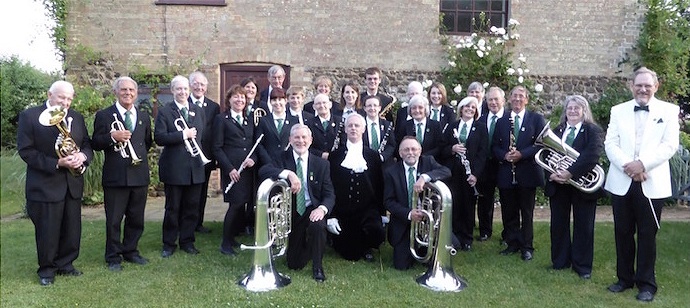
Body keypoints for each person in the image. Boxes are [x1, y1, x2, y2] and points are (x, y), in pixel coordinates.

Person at [604, 67, 679, 302]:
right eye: (639, 85)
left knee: (648, 234)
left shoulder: (669, 110)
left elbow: (669, 146)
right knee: (623, 232)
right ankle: (624, 279)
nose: (643, 89)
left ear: (656, 87)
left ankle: (646, 284)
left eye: (648, 85)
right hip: (622, 179)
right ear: (631, 86)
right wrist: (629, 166)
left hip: (651, 181)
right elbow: (610, 143)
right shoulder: (618, 111)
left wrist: (642, 165)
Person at [17, 80, 93, 286]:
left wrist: (82, 157)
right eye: (62, 97)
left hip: (72, 183)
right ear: (50, 94)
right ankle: (47, 270)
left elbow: (86, 144)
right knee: (48, 230)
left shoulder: (76, 117)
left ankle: (66, 265)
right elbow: (26, 151)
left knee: (72, 228)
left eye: (69, 98)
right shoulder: (30, 116)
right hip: (45, 184)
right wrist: (57, 163)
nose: (66, 102)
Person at [258, 124, 335, 282]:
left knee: (318, 225)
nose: (301, 141)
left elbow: (329, 194)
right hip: (291, 212)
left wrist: (322, 209)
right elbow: (263, 171)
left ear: (310, 140)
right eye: (297, 137)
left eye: (304, 137)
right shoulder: (281, 157)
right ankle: (308, 245)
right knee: (294, 264)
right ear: (290, 140)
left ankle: (318, 267)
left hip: (310, 209)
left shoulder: (322, 164)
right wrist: (288, 173)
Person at [92, 77, 152, 271]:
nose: (128, 93)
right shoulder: (104, 115)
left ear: (136, 93)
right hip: (116, 176)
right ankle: (113, 257)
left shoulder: (143, 116)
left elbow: (147, 143)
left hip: (139, 174)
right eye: (124, 90)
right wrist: (112, 137)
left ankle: (131, 251)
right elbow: (95, 143)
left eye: (131, 90)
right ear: (116, 92)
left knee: (136, 218)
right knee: (114, 220)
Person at [545, 95, 604, 280]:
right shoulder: (557, 130)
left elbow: (591, 155)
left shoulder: (592, 130)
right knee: (558, 225)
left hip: (581, 184)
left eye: (576, 108)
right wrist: (551, 174)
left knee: (584, 226)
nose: (572, 111)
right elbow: (547, 154)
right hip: (559, 185)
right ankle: (560, 261)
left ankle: (582, 266)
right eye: (569, 108)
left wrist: (570, 172)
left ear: (584, 111)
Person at [492, 85, 546, 261]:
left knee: (527, 211)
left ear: (527, 100)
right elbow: (494, 146)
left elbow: (541, 144)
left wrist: (522, 154)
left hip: (527, 172)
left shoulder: (536, 119)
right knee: (509, 211)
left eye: (521, 96)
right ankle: (512, 242)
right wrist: (505, 155)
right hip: (507, 172)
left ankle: (527, 246)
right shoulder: (502, 120)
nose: (517, 99)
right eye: (514, 96)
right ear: (509, 99)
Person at [155, 75, 207, 257]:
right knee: (173, 208)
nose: (183, 92)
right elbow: (159, 138)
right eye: (178, 89)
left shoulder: (197, 110)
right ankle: (169, 243)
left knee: (192, 207)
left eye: (185, 89)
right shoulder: (165, 111)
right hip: (174, 168)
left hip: (195, 167)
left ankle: (187, 241)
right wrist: (182, 134)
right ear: (172, 91)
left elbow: (202, 137)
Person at [384, 136, 451, 270]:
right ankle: (415, 248)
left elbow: (446, 171)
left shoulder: (428, 162)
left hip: (428, 223)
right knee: (401, 265)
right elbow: (388, 202)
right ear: (400, 152)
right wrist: (409, 213)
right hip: (404, 222)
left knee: (438, 257)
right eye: (406, 149)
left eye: (414, 149)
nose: (411, 152)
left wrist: (424, 177)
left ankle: (425, 247)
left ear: (420, 151)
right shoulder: (391, 171)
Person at [327, 114, 385, 261]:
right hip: (343, 209)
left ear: (363, 129)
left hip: (367, 208)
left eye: (357, 126)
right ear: (345, 129)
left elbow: (379, 185)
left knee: (376, 230)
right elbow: (329, 186)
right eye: (350, 126)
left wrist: (381, 213)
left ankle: (368, 246)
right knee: (349, 254)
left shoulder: (373, 156)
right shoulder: (335, 156)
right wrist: (331, 215)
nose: (353, 128)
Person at [212, 85, 257, 256]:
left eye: (242, 98)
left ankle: (231, 239)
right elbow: (217, 147)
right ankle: (225, 243)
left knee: (243, 204)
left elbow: (254, 145)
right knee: (235, 205)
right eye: (236, 97)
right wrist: (229, 168)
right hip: (233, 170)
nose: (239, 100)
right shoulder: (221, 119)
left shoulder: (249, 119)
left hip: (247, 170)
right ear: (229, 100)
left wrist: (253, 159)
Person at [440, 96, 488, 251]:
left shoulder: (480, 128)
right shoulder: (452, 126)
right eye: (467, 107)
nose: (469, 109)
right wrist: (452, 149)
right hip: (453, 173)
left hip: (470, 174)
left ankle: (466, 238)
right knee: (454, 204)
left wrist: (476, 175)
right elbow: (442, 148)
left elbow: (482, 154)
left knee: (468, 206)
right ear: (461, 109)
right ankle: (453, 237)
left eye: (473, 108)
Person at [188, 71, 220, 234]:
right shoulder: (183, 103)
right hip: (187, 157)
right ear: (190, 85)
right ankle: (184, 223)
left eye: (202, 85)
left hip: (205, 156)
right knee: (186, 193)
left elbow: (215, 132)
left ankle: (198, 223)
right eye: (196, 84)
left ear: (206, 87)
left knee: (201, 192)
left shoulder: (214, 107)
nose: (199, 87)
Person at [475, 87, 507, 242]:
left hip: (503, 164)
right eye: (490, 100)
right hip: (485, 165)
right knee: (485, 199)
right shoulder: (481, 119)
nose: (493, 103)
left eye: (496, 99)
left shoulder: (509, 118)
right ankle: (485, 231)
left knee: (507, 200)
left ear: (503, 100)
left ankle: (509, 233)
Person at [255, 88, 297, 166]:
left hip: (288, 164)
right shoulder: (263, 120)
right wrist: (267, 161)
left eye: (280, 99)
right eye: (274, 100)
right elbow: (259, 144)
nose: (277, 103)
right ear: (270, 102)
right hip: (268, 164)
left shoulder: (294, 121)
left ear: (285, 101)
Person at [395, 94, 444, 158]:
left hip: (431, 162)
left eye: (420, 107)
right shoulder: (404, 126)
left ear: (425, 109)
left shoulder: (435, 125)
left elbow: (440, 147)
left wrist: (423, 157)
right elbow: (398, 146)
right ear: (410, 110)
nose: (417, 111)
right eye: (414, 108)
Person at [362, 95, 397, 165]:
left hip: (384, 163)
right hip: (365, 163)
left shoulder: (387, 125)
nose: (372, 108)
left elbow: (392, 145)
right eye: (369, 106)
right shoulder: (360, 124)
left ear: (379, 108)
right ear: (364, 108)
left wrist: (382, 156)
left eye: (375, 105)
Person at [307, 93, 344, 159]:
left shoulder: (341, 121)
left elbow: (344, 143)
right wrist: (321, 154)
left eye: (324, 103)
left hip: (337, 159)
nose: (322, 105)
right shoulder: (309, 123)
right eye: (318, 103)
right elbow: (307, 146)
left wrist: (334, 155)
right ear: (314, 107)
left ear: (330, 105)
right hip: (317, 160)